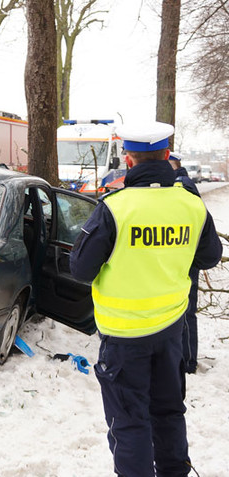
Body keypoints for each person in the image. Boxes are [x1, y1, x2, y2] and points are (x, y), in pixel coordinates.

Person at [69, 122, 222, 476]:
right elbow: (209, 257)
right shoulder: (191, 206)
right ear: (167, 156)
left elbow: (80, 269)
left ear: (128, 160)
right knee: (169, 412)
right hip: (170, 331)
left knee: (129, 421)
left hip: (123, 339)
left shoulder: (114, 207)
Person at [168, 151, 201, 374]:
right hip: (184, 255)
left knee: (187, 310)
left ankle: (189, 361)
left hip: (187, 257)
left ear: (173, 164)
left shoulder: (182, 185)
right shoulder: (179, 183)